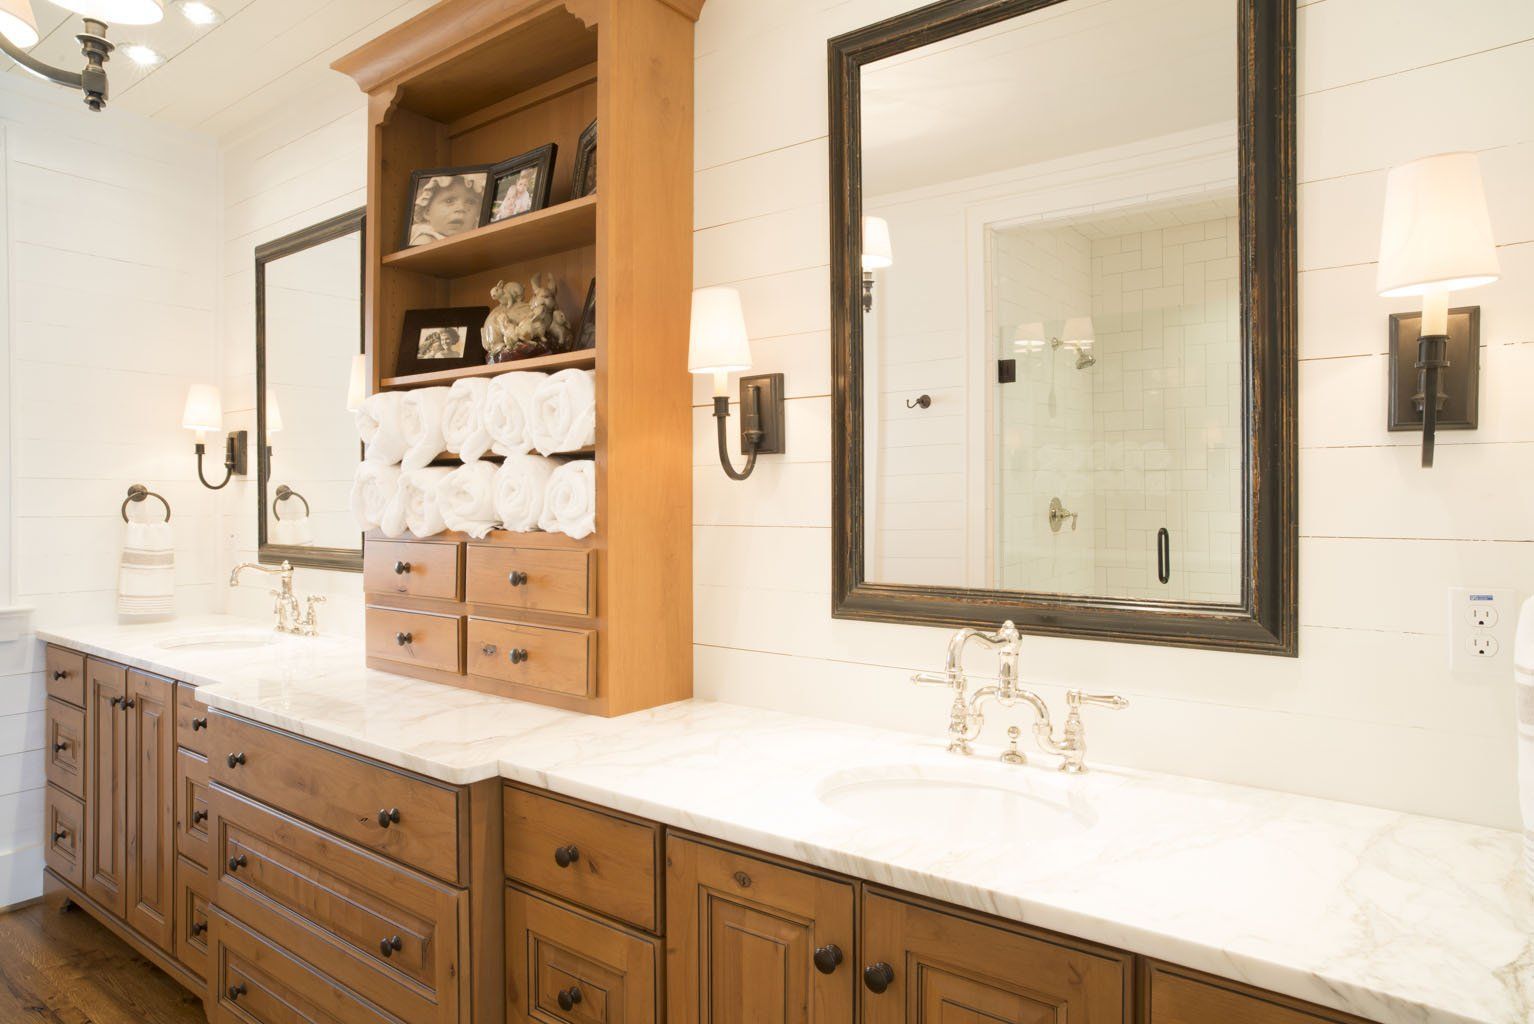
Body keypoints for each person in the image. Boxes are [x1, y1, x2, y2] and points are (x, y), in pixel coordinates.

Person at [410, 175, 483, 245]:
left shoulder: (478, 232)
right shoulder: (426, 239)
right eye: (449, 201)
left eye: (470, 202)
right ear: (427, 212)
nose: (461, 208)